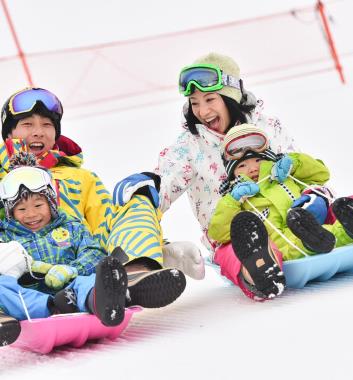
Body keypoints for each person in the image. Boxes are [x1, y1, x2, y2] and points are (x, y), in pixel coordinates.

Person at [114, 52, 299, 284]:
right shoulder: (191, 146)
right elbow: (166, 181)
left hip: (289, 218)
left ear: (230, 97)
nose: (202, 112)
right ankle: (259, 271)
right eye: (194, 103)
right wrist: (145, 191)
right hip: (231, 235)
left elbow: (301, 171)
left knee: (321, 208)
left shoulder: (267, 127)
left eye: (210, 99)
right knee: (240, 251)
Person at [0, 87, 186, 307]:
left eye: (47, 125)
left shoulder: (80, 178)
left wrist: (158, 244)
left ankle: (132, 276)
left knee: (137, 196)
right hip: (23, 275)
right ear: (9, 134)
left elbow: (106, 222)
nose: (39, 131)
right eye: (28, 124)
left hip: (82, 264)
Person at [208, 124, 353, 299]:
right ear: (232, 174)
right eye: (242, 165)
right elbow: (220, 233)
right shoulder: (236, 199)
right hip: (279, 240)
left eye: (258, 160)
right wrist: (233, 200)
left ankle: (347, 225)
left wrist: (294, 164)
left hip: (308, 222)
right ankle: (323, 239)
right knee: (290, 244)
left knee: (330, 222)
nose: (252, 168)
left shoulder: (286, 177)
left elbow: (322, 174)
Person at [0, 157, 129, 346]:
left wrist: (72, 270)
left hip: (72, 288)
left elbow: (93, 252)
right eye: (21, 209)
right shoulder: (6, 238)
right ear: (11, 213)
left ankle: (101, 301)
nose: (31, 214)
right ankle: (48, 308)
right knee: (3, 286)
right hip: (31, 298)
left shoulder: (71, 227)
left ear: (51, 203)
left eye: (38, 205)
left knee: (94, 275)